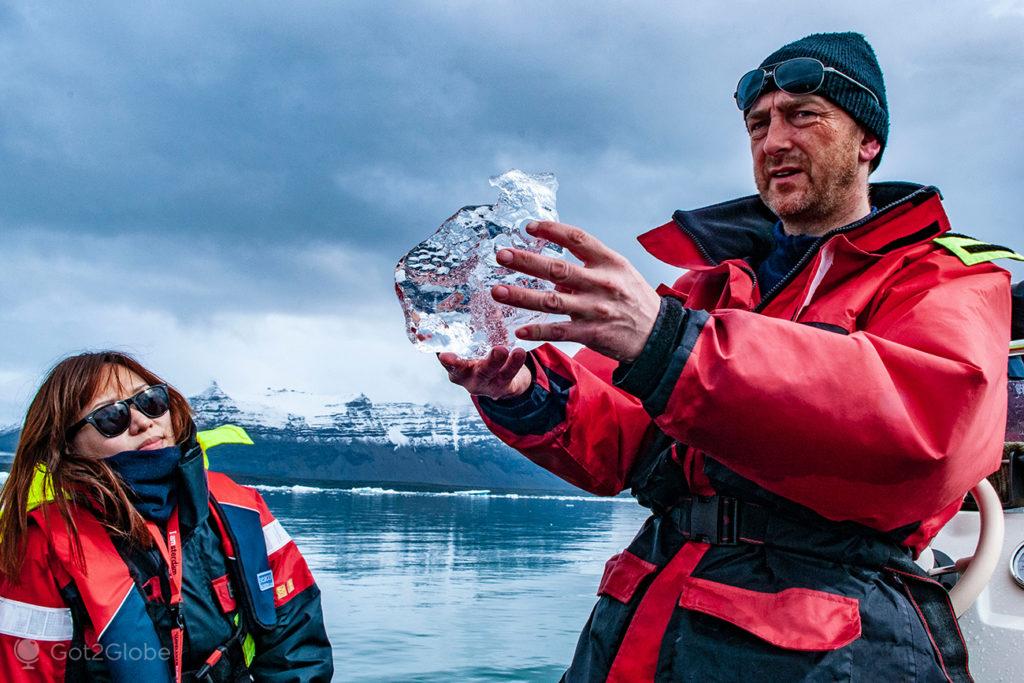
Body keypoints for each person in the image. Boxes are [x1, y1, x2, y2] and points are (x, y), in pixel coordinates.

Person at [440, 32, 1022, 681]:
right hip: (643, 619)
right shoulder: (709, 289)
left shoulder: (946, 275)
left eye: (803, 114)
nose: (773, 141)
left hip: (831, 644)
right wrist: (520, 387)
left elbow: (926, 430)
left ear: (869, 141)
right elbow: (622, 438)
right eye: (757, 124)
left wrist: (668, 342)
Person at [0, 351, 333, 681]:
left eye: (151, 401)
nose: (143, 421)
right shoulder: (42, 545)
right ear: (67, 445)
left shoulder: (241, 508)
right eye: (111, 417)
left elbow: (297, 647)